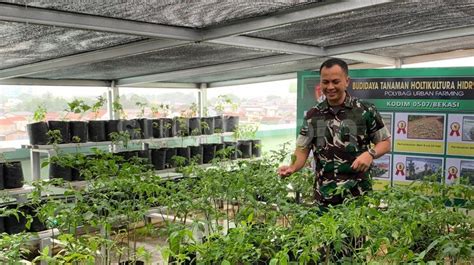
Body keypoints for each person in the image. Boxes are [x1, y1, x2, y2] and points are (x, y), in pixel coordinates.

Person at [278, 58, 391, 207]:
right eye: (325, 82)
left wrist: (370, 154)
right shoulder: (313, 115)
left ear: (346, 81)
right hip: (324, 197)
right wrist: (292, 167)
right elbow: (302, 149)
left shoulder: (365, 110)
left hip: (357, 196)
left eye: (335, 82)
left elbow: (385, 142)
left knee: (357, 231)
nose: (330, 87)